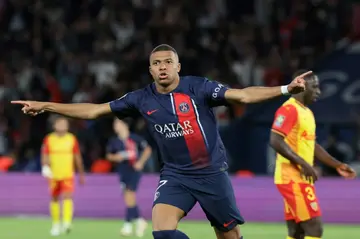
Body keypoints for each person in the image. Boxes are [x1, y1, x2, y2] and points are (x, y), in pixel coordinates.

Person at [12, 44, 309, 239]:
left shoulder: (199, 88)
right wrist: (47, 105)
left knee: (230, 236)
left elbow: (243, 94)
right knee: (163, 234)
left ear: (178, 66)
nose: (163, 66)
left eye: (168, 62)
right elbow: (94, 110)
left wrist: (285, 88)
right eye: (157, 63)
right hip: (176, 176)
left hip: (211, 175)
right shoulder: (141, 98)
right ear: (151, 70)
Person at [269, 70, 357, 239]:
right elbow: (275, 140)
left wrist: (337, 165)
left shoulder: (306, 112)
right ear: (302, 87)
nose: (319, 91)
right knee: (314, 229)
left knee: (296, 232)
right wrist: (303, 163)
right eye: (315, 87)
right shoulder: (289, 110)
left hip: (299, 178)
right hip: (292, 179)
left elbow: (312, 145)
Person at [106, 118, 152, 237]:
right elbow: (109, 156)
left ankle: (127, 224)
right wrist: (116, 157)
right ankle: (139, 221)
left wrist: (141, 162)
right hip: (122, 170)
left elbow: (147, 149)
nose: (115, 126)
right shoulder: (114, 141)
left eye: (117, 123)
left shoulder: (134, 138)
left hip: (134, 170)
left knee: (130, 194)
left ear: (124, 125)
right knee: (128, 197)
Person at [41, 116, 85, 236]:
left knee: (67, 197)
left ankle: (66, 222)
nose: (63, 126)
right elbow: (45, 154)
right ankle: (55, 224)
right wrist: (45, 167)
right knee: (54, 198)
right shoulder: (49, 139)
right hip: (54, 175)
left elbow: (77, 157)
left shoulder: (71, 139)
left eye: (65, 124)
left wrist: (81, 173)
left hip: (67, 174)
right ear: (54, 126)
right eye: (60, 124)